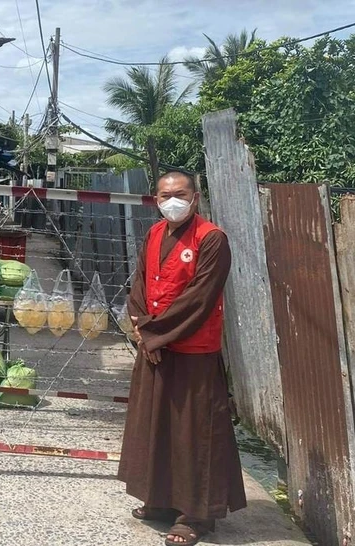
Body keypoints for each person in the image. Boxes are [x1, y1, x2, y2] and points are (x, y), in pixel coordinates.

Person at [118, 172, 246, 546]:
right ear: (155, 199)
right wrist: (142, 327)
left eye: (180, 194)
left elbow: (199, 298)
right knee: (155, 424)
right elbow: (139, 282)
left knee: (195, 431)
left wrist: (157, 335)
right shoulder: (155, 233)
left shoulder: (211, 239)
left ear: (195, 197)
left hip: (192, 349)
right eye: (165, 195)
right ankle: (159, 499)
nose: (172, 200)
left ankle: (197, 515)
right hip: (155, 344)